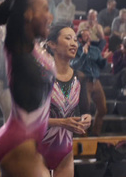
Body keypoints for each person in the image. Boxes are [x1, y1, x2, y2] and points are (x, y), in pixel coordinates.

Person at [0, 0, 55, 176]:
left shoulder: (32, 48)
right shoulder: (18, 44)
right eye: (44, 9)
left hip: (29, 141)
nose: (49, 15)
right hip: (18, 140)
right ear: (27, 14)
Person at [39, 25, 92, 176]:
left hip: (64, 151)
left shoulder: (80, 77)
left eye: (75, 39)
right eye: (68, 38)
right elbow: (30, 120)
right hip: (37, 150)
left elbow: (84, 111)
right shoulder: (42, 77)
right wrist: (62, 122)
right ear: (53, 44)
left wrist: (86, 119)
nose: (74, 43)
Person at [71, 29, 112, 136]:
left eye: (89, 35)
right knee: (85, 111)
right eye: (85, 36)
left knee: (103, 109)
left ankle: (95, 134)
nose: (88, 37)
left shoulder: (95, 50)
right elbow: (74, 65)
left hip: (96, 82)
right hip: (84, 83)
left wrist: (104, 59)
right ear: (80, 39)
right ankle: (83, 136)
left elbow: (101, 65)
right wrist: (83, 54)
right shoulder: (75, 50)